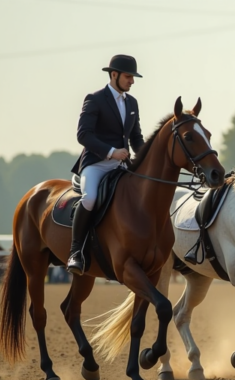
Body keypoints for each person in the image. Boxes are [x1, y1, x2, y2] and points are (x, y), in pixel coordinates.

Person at [67, 55, 145, 275]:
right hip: (96, 163)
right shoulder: (95, 99)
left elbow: (136, 138)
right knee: (90, 198)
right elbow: (84, 135)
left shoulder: (132, 103)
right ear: (114, 75)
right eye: (129, 76)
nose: (132, 81)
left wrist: (146, 159)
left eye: (133, 77)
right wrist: (111, 152)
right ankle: (76, 252)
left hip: (121, 166)